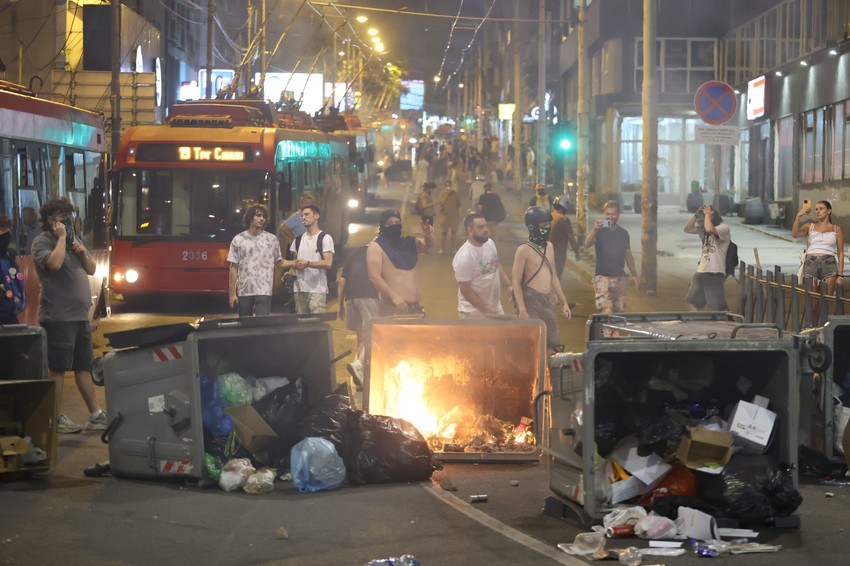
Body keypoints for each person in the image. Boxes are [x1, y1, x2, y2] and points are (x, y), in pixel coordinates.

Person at [31, 197, 106, 434]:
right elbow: (53, 264)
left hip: (80, 316)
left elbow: (92, 269)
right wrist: (62, 238)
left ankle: (95, 415)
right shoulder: (41, 242)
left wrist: (83, 252)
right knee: (58, 369)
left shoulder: (74, 239)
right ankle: (53, 417)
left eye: (69, 216)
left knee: (83, 367)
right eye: (63, 217)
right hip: (58, 317)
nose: (68, 220)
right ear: (51, 220)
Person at [512, 207, 571, 354]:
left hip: (546, 300)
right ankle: (534, 373)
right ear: (532, 226)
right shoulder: (523, 250)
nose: (547, 228)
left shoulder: (550, 247)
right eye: (543, 225)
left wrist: (564, 302)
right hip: (531, 299)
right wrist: (522, 309)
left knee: (553, 340)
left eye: (548, 225)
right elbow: (516, 282)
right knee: (533, 341)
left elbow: (554, 277)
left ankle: (549, 371)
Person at [367, 209, 434, 315]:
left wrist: (428, 235)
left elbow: (428, 245)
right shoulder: (376, 247)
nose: (394, 225)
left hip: (415, 308)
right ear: (382, 226)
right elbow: (374, 277)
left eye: (397, 222)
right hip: (393, 308)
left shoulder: (408, 243)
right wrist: (395, 297)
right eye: (389, 223)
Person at [792, 199, 845, 323]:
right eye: (816, 209)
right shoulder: (809, 226)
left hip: (829, 264)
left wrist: (840, 276)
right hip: (811, 264)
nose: (818, 211)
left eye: (821, 208)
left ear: (829, 211)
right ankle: (812, 329)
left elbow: (841, 252)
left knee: (825, 302)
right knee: (812, 303)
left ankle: (823, 332)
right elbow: (795, 234)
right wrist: (799, 215)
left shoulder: (836, 229)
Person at [226, 204, 282, 317]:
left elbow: (279, 262)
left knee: (262, 326)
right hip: (244, 290)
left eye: (264, 217)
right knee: (245, 327)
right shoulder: (238, 239)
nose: (262, 219)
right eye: (258, 215)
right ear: (250, 217)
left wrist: (297, 263)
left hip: (264, 290)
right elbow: (233, 267)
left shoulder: (272, 240)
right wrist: (232, 294)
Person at [452, 213, 512, 318]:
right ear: (470, 230)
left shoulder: (490, 243)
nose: (486, 229)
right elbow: (465, 289)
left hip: (494, 306)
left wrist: (508, 285)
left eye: (486, 226)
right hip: (472, 311)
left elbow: (496, 263)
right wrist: (485, 309)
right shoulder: (464, 256)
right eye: (481, 227)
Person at [584, 199, 639, 314]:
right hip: (602, 278)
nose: (610, 217)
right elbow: (587, 244)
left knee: (619, 311)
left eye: (613, 214)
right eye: (607, 214)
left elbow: (628, 254)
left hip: (620, 278)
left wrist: (634, 274)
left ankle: (614, 332)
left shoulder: (624, 233)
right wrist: (594, 229)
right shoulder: (599, 231)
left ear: (618, 214)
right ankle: (605, 331)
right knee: (607, 310)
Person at [338, 244, 380, 391]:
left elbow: (342, 282)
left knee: (362, 339)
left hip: (350, 299)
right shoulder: (377, 253)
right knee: (374, 336)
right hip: (368, 298)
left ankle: (360, 378)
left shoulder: (353, 255)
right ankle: (359, 365)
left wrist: (340, 306)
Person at [281, 204, 334, 314]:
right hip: (299, 289)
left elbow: (328, 263)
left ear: (316, 216)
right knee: (302, 326)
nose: (303, 218)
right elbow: (294, 263)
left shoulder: (325, 238)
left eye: (307, 214)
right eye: (302, 216)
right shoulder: (298, 240)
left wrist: (308, 264)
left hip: (317, 289)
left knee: (316, 323)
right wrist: (290, 273)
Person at [683, 204, 731, 311]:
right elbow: (687, 229)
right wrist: (696, 215)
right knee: (692, 301)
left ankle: (727, 324)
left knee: (717, 306)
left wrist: (707, 214)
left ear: (712, 215)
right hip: (701, 270)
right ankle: (696, 325)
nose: (703, 219)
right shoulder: (704, 229)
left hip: (714, 271)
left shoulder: (723, 228)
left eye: (705, 216)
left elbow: (710, 230)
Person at [0, 214, 26, 324]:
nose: (7, 233)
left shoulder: (9, 259)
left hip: (11, 316)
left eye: (8, 230)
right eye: (3, 229)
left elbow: (18, 285)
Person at [550, 196, 581, 279]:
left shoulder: (549, 216)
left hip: (546, 254)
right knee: (556, 278)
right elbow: (571, 237)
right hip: (558, 255)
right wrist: (577, 251)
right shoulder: (564, 219)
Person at [437, 179, 462, 255]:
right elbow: (441, 202)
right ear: (445, 186)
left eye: (450, 186)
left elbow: (459, 205)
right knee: (444, 233)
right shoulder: (442, 193)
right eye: (447, 186)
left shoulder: (456, 194)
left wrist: (459, 215)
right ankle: (442, 249)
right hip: (444, 216)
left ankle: (454, 249)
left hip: (454, 217)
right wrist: (446, 194)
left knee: (454, 233)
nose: (449, 187)